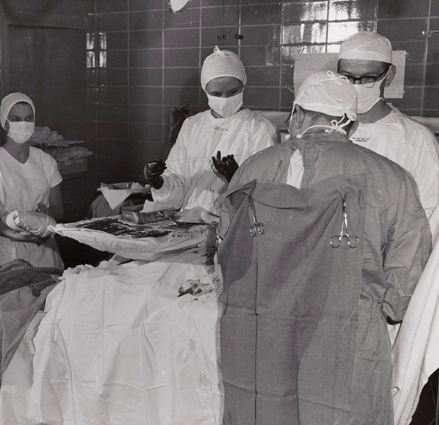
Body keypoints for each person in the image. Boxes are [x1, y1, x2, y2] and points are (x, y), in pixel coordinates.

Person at [217, 71, 431, 425]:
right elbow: (403, 289)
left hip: (265, 338)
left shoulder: (254, 170)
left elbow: (228, 261)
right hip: (349, 342)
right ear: (349, 123)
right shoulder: (391, 178)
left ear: (297, 115)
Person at [143, 46, 279, 223]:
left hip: (230, 227)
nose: (224, 99)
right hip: (186, 223)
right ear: (205, 90)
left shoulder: (261, 129)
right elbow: (176, 193)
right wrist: (159, 182)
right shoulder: (193, 125)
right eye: (216, 94)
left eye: (232, 92)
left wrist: (236, 178)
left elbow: (267, 198)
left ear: (243, 86)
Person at [338, 31, 439, 219]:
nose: (356, 85)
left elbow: (430, 214)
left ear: (389, 75)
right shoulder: (325, 128)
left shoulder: (416, 139)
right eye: (347, 77)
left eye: (368, 78)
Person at [0, 93, 64, 269]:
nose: (23, 124)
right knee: (16, 294)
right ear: (4, 123)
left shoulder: (46, 161)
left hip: (44, 246)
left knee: (49, 293)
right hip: (9, 247)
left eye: (29, 118)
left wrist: (47, 213)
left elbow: (59, 210)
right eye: (16, 118)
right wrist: (14, 235)